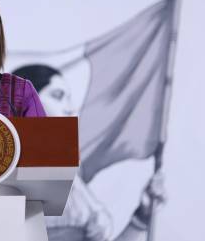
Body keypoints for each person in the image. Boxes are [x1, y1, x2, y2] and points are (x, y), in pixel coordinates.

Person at [13, 64, 166, 241]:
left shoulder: (68, 176)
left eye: (69, 98)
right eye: (58, 96)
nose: (71, 108)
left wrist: (140, 217)